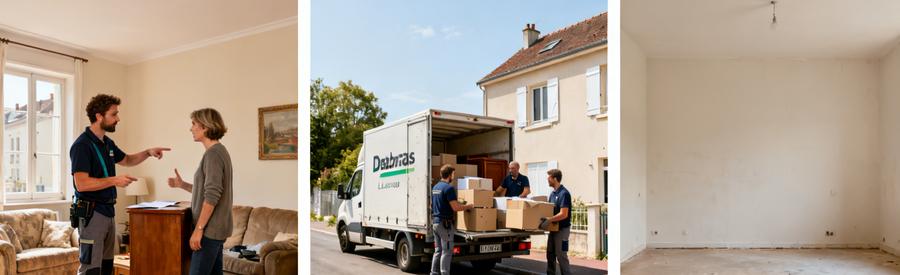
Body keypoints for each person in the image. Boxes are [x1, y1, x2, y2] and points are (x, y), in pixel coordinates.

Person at [70, 94, 170, 275]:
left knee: (107, 266)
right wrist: (114, 180)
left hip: (108, 212)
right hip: (92, 214)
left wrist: (148, 152)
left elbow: (127, 160)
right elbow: (81, 184)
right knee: (90, 269)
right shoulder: (82, 146)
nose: (118, 118)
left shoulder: (107, 143)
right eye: (114, 114)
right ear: (99, 116)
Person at [167, 108, 234, 275]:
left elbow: (212, 195)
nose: (191, 129)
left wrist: (199, 229)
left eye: (193, 124)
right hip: (216, 229)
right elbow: (207, 190)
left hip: (209, 230)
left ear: (204, 127)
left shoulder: (213, 154)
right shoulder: (219, 152)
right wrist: (182, 184)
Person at [431, 165, 474, 275]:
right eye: (453, 174)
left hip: (436, 222)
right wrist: (469, 206)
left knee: (438, 251)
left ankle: (434, 273)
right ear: (449, 175)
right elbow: (455, 208)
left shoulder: (435, 187)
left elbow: (433, 205)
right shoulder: (449, 188)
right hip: (445, 225)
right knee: (447, 251)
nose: (454, 176)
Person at [542, 169, 572, 275]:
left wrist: (549, 220)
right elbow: (551, 211)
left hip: (563, 231)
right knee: (550, 254)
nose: (547, 180)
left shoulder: (564, 194)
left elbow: (564, 214)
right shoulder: (552, 194)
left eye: (549, 178)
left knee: (561, 255)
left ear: (555, 179)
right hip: (553, 230)